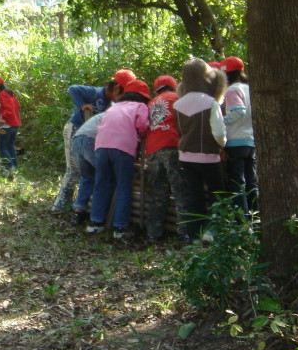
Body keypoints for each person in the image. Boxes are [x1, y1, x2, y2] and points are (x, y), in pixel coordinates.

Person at [86, 79, 151, 239]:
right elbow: (142, 126)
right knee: (123, 186)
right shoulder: (140, 106)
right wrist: (141, 137)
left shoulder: (113, 107)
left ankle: (95, 223)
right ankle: (120, 228)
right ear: (143, 97)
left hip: (101, 147)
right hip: (122, 149)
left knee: (101, 184)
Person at [173, 58, 227, 241]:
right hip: (209, 157)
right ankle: (212, 232)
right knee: (217, 194)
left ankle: (194, 235)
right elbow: (219, 132)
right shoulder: (211, 102)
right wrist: (222, 144)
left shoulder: (178, 104)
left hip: (185, 157)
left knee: (193, 197)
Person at [52, 79, 124, 213]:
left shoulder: (110, 103)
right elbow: (73, 88)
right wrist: (82, 105)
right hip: (74, 128)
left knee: (83, 171)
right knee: (73, 168)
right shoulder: (95, 92)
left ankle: (74, 204)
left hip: (86, 136)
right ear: (115, 89)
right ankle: (60, 205)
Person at [144, 75, 189, 243]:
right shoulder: (178, 98)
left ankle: (153, 234)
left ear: (157, 90)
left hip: (153, 149)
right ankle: (185, 233)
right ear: (173, 86)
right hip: (172, 146)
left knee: (157, 192)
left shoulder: (150, 104)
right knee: (180, 191)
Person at [219, 56, 257, 217]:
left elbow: (238, 111)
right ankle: (256, 217)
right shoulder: (249, 88)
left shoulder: (232, 90)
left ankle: (242, 222)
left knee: (238, 184)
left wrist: (220, 120)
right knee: (251, 182)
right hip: (250, 141)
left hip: (235, 141)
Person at [69, 111, 105, 225]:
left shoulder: (104, 114)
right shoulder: (118, 115)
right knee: (105, 177)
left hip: (76, 141)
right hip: (90, 141)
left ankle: (78, 212)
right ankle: (97, 217)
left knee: (87, 177)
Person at [0, 76, 21, 177]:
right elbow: (18, 106)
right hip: (15, 124)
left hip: (7, 125)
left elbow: (9, 109)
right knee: (10, 146)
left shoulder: (2, 93)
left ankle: (9, 169)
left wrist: (3, 118)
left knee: (2, 147)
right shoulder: (10, 92)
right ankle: (14, 168)